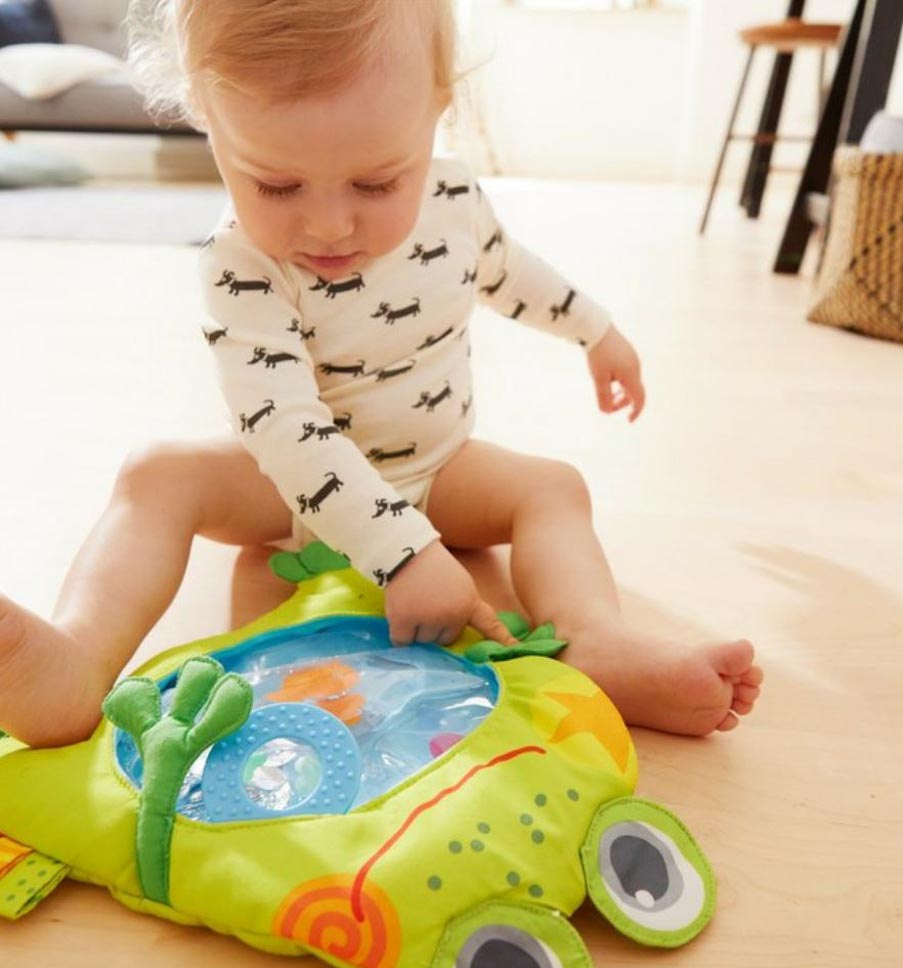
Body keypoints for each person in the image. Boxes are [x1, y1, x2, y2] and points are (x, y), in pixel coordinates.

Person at [0, 0, 762, 749]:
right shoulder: (240, 266)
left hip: (438, 466)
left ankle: (594, 638)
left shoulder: (455, 197)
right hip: (288, 489)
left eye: (376, 185)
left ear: (440, 107)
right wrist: (404, 551)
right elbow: (284, 425)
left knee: (554, 487)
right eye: (277, 185)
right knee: (155, 476)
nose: (329, 226)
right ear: (207, 114)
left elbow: (506, 271)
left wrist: (596, 329)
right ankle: (78, 660)